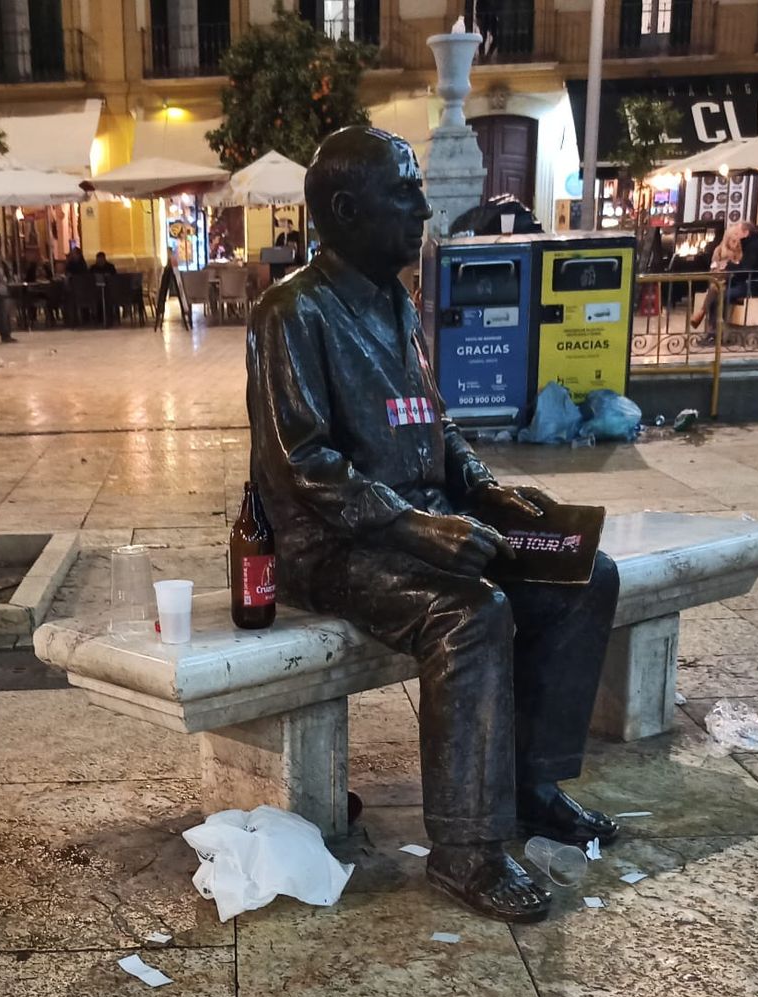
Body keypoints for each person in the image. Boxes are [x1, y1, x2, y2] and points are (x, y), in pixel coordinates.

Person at [248, 126, 621, 923]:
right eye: (405, 192)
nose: (425, 207)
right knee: (471, 614)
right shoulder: (290, 313)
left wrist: (487, 492)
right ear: (345, 210)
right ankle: (467, 850)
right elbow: (303, 464)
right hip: (335, 546)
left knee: (584, 573)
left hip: (422, 524)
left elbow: (436, 424)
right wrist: (418, 529)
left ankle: (531, 786)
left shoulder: (397, 301)